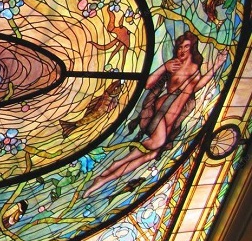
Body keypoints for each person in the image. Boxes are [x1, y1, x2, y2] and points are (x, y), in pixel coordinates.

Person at [83, 32, 227, 198]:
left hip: (173, 117)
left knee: (151, 154)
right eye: (180, 47)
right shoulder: (173, 65)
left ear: (192, 48)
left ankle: (104, 177)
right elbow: (148, 84)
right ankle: (108, 172)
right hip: (162, 111)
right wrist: (164, 67)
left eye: (186, 47)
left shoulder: (195, 69)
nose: (181, 50)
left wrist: (217, 65)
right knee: (156, 143)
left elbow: (197, 86)